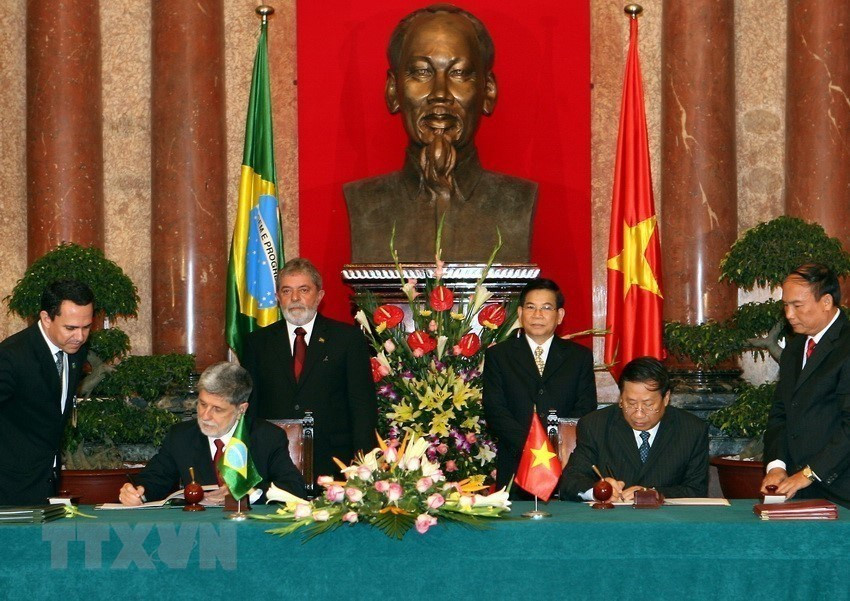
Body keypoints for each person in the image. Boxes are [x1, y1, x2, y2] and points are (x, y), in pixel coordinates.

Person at [344, 4, 537, 263]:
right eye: (422, 72)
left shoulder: (516, 203)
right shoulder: (364, 203)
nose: (440, 94)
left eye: (459, 73)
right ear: (393, 91)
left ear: (488, 92)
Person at [240, 258, 377, 482]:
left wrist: (363, 464)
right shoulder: (257, 343)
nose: (295, 298)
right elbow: (249, 407)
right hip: (274, 462)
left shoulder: (347, 339)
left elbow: (362, 406)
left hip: (335, 462)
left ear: (319, 296)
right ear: (277, 297)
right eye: (286, 291)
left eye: (303, 290)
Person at [119, 362, 304, 505]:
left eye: (217, 409)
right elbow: (156, 478)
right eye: (202, 404)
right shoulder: (181, 436)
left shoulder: (267, 437)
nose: (205, 415)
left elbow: (294, 489)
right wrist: (138, 492)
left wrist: (248, 493)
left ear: (241, 409)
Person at [483, 278, 597, 492]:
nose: (537, 315)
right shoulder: (499, 355)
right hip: (516, 463)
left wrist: (555, 445)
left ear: (559, 315)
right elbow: (495, 410)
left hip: (565, 463)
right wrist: (532, 446)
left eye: (546, 308)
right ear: (519, 313)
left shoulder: (578, 357)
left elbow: (585, 407)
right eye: (531, 307)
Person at [761, 263, 850, 506]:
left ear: (826, 301)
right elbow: (780, 412)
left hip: (841, 490)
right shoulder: (795, 347)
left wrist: (809, 473)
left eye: (797, 306)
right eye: (786, 305)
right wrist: (777, 465)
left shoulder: (846, 345)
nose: (789, 314)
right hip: (796, 488)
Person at [560, 357, 709, 501]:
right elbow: (571, 481)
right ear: (620, 398)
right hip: (612, 521)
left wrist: (652, 494)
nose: (638, 414)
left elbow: (696, 490)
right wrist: (598, 491)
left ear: (666, 398)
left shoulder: (692, 430)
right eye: (630, 403)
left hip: (667, 521)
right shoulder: (595, 425)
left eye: (648, 404)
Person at [0, 279, 94, 505]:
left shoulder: (74, 351)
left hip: (46, 483)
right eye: (70, 328)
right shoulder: (12, 357)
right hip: (8, 488)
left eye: (87, 327)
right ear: (46, 318)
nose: (80, 336)